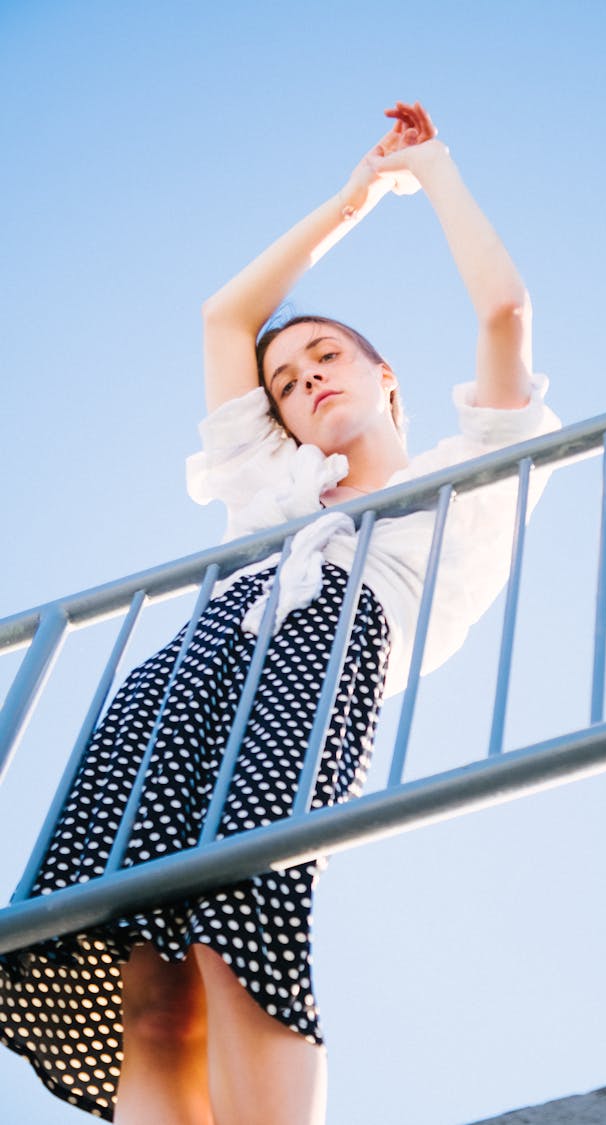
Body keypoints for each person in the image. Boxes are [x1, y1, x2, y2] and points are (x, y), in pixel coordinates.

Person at [0, 102, 560, 1124]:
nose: (306, 383)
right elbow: (224, 316)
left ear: (385, 377)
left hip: (312, 677)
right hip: (175, 686)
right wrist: (348, 199)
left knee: (235, 926)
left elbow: (505, 314)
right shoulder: (270, 485)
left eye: (326, 359)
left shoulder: (461, 484)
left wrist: (428, 173)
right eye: (288, 383)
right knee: (146, 980)